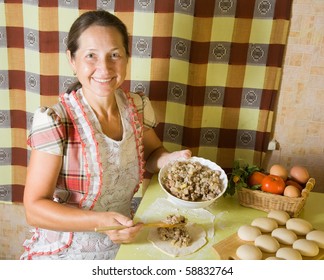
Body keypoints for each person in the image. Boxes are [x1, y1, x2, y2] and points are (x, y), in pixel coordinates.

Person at [20, 10, 191, 260]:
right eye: (91, 55)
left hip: (125, 235)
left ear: (126, 58)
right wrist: (102, 222)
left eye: (114, 55)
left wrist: (167, 160)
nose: (104, 68)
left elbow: (152, 153)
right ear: (72, 59)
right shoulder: (55, 121)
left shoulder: (136, 106)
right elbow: (34, 209)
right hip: (71, 248)